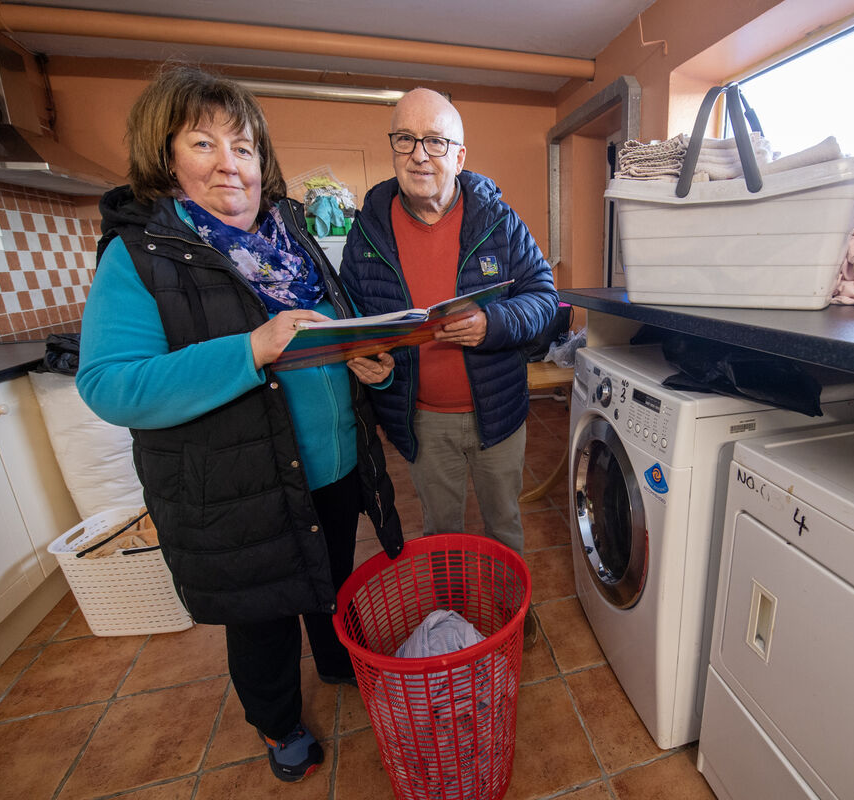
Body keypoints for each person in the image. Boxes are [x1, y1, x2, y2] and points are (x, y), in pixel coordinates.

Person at [75, 65, 401, 784]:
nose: (231, 163)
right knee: (261, 619)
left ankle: (340, 658)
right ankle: (280, 724)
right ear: (166, 160)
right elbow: (109, 384)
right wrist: (251, 349)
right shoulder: (141, 258)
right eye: (204, 143)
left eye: (245, 147)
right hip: (239, 487)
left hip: (333, 465)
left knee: (332, 580)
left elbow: (325, 334)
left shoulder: (294, 238)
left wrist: (360, 358)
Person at [339, 88, 558, 568]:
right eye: (406, 139)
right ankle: (452, 621)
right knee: (442, 533)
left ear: (459, 157)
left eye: (435, 141)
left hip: (498, 411)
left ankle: (508, 617)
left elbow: (545, 297)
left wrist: (493, 323)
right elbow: (351, 320)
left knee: (504, 525)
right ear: (393, 147)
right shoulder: (367, 231)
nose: (419, 155)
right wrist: (367, 361)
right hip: (420, 418)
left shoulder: (499, 221)